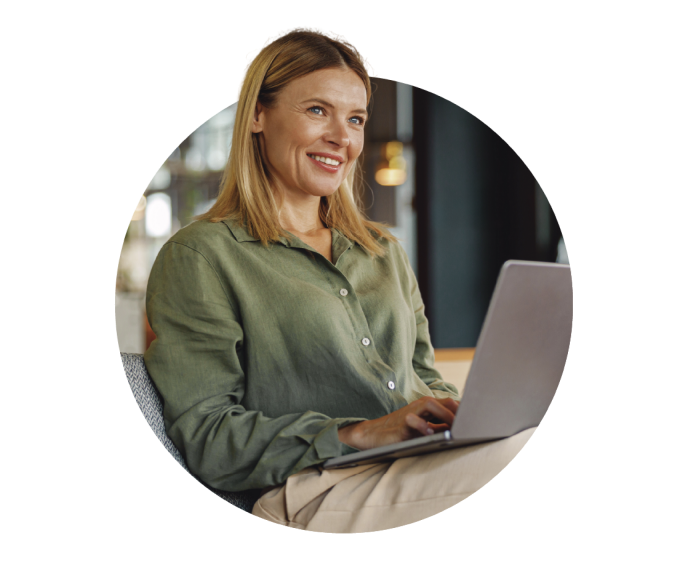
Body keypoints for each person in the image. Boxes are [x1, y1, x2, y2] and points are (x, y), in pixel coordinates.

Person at [143, 27, 536, 533]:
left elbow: (422, 375)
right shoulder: (202, 256)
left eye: (355, 119)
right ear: (258, 115)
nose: (342, 138)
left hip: (414, 468)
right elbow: (207, 437)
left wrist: (449, 413)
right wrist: (359, 433)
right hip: (313, 491)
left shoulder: (382, 251)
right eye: (316, 111)